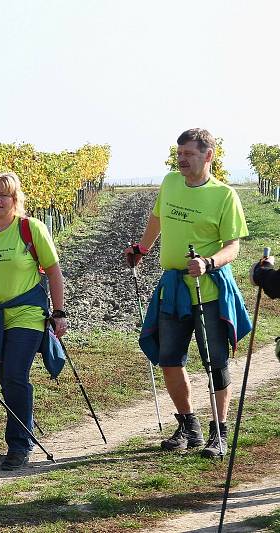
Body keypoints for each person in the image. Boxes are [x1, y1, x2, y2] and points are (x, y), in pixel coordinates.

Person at [126, 128, 251, 458]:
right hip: (173, 288)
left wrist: (209, 263)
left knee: (216, 362)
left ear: (207, 156)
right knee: (168, 359)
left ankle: (219, 432)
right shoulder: (169, 183)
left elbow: (234, 246)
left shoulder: (224, 196)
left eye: (188, 154)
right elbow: (157, 218)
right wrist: (142, 247)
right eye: (179, 154)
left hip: (207, 289)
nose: (181, 159)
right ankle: (189, 426)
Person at [0, 172, 67, 470]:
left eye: (4, 195)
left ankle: (19, 445)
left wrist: (58, 312)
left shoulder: (30, 229)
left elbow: (53, 270)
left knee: (15, 375)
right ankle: (26, 429)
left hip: (27, 314)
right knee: (6, 380)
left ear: (15, 199)